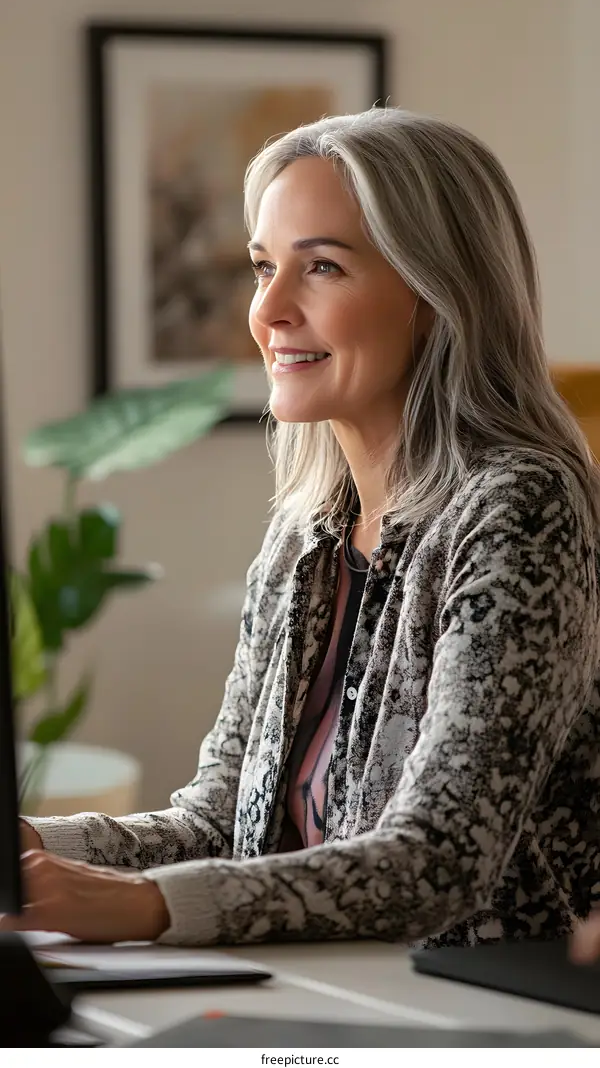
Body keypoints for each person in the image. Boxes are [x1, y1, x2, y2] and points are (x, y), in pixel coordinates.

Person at [5, 107, 600, 951]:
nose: (269, 311)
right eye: (262, 267)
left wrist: (149, 908)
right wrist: (32, 852)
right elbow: (221, 823)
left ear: (435, 294)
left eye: (320, 267)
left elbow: (440, 861)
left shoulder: (520, 508)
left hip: (469, 1015)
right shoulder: (305, 535)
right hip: (317, 987)